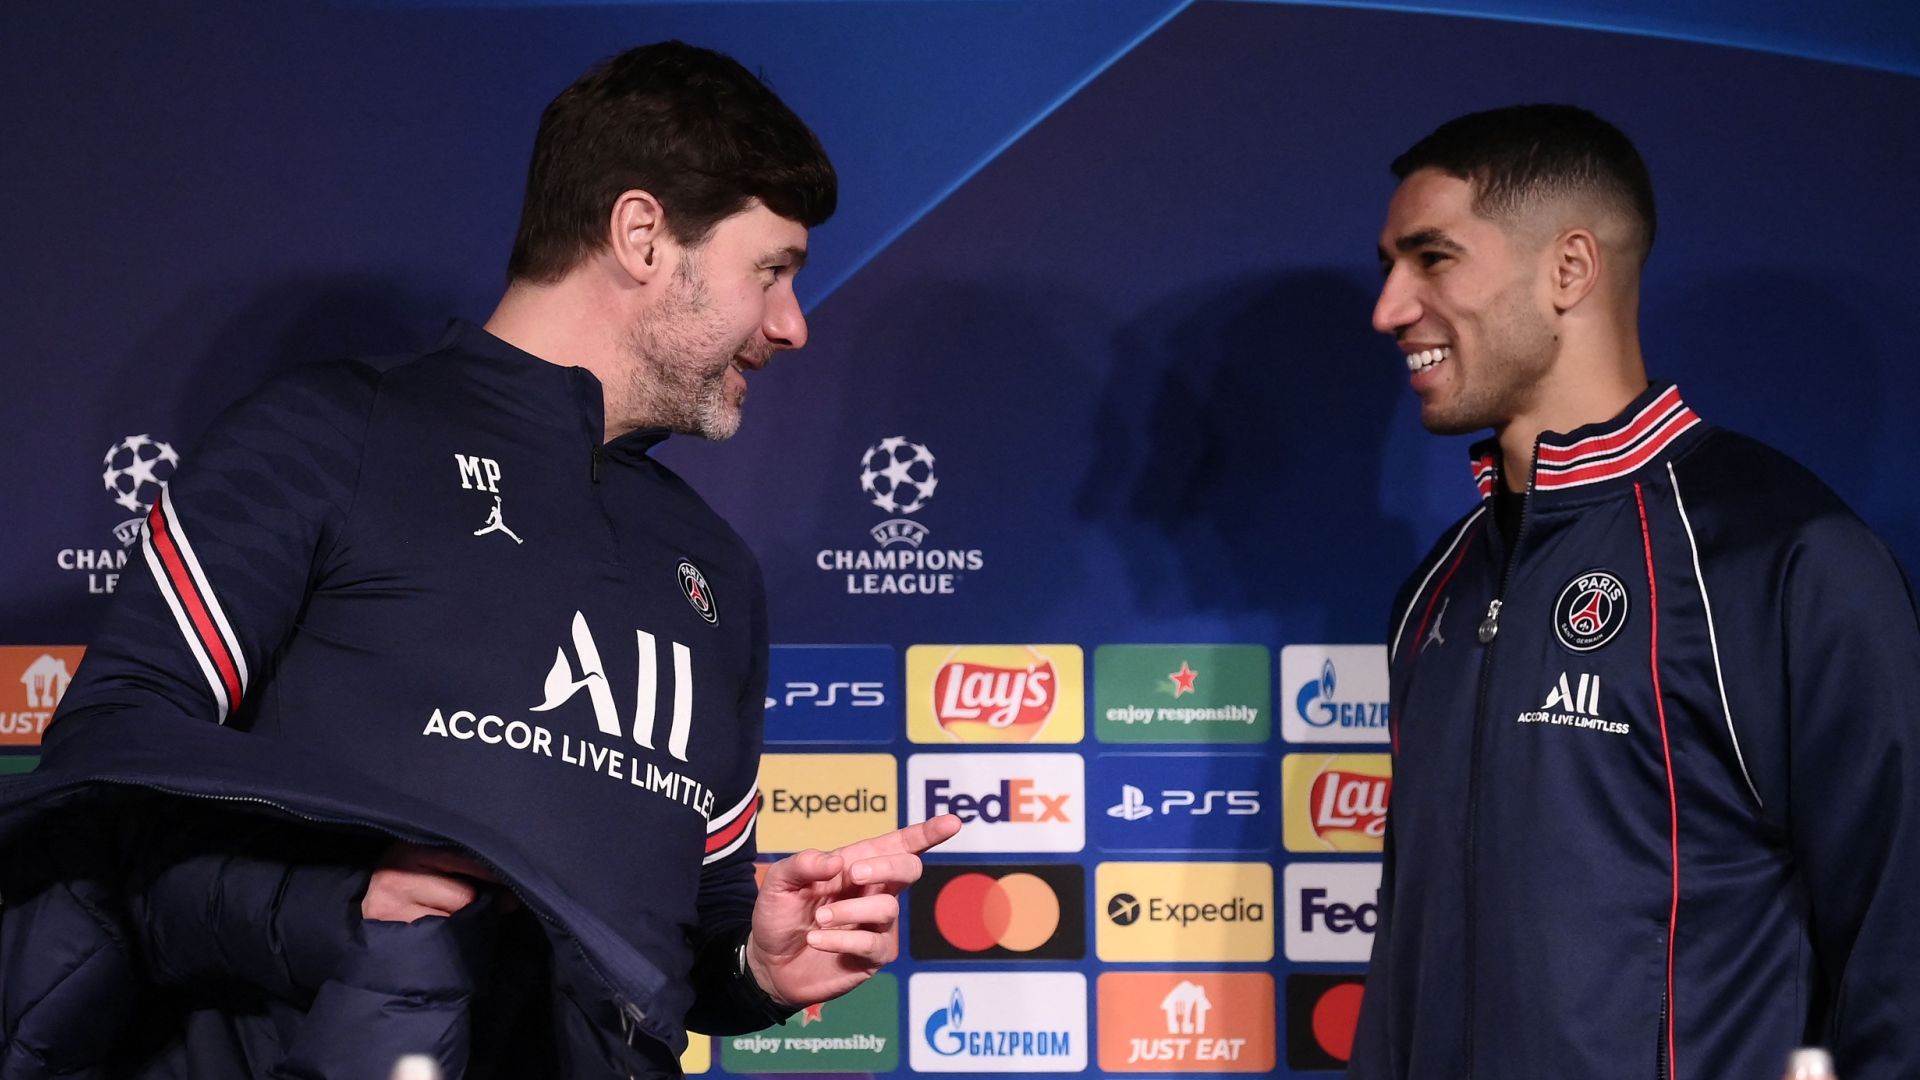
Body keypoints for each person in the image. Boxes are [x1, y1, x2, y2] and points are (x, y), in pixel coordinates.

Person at [0, 41, 957, 1078]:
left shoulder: (716, 569)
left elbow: (699, 926)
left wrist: (759, 965)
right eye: (770, 271)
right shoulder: (333, 433)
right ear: (642, 236)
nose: (792, 325)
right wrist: (340, 911)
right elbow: (100, 791)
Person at [1353, 104, 1920, 1080]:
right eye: (1388, 267)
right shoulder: (1436, 590)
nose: (1390, 308)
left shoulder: (1784, 558)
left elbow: (1899, 964)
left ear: (1569, 269)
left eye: (1433, 259)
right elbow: (1401, 963)